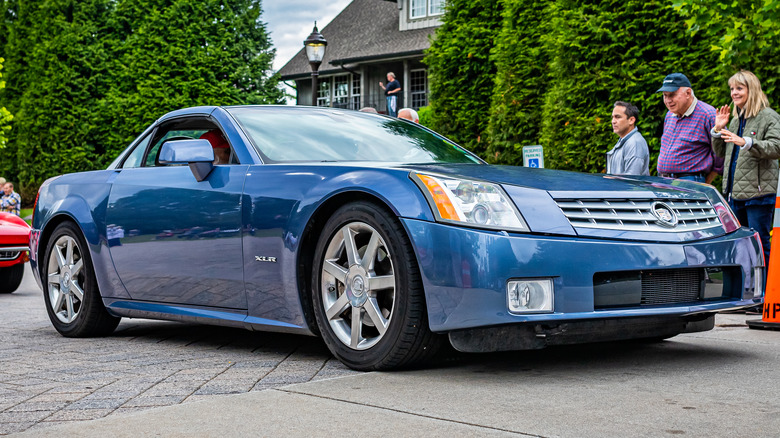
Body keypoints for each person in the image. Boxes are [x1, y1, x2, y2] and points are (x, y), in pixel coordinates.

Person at [711, 70, 780, 265]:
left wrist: (747, 142)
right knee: (741, 246)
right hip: (735, 194)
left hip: (758, 194)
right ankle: (747, 289)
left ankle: (766, 291)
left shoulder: (769, 116)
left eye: (739, 88)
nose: (734, 92)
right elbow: (721, 153)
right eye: (732, 89)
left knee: (759, 243)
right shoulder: (735, 120)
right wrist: (717, 130)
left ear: (752, 89)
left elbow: (777, 147)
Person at [657, 73, 721, 183]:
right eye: (665, 95)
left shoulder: (707, 114)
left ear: (688, 93)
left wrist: (708, 180)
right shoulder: (669, 115)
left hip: (690, 181)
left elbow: (721, 153)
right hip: (664, 180)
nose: (668, 100)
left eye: (672, 95)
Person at [607, 101, 649, 175]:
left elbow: (631, 179)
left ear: (631, 120)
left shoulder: (635, 143)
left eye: (617, 117)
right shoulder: (624, 141)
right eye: (612, 117)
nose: (613, 121)